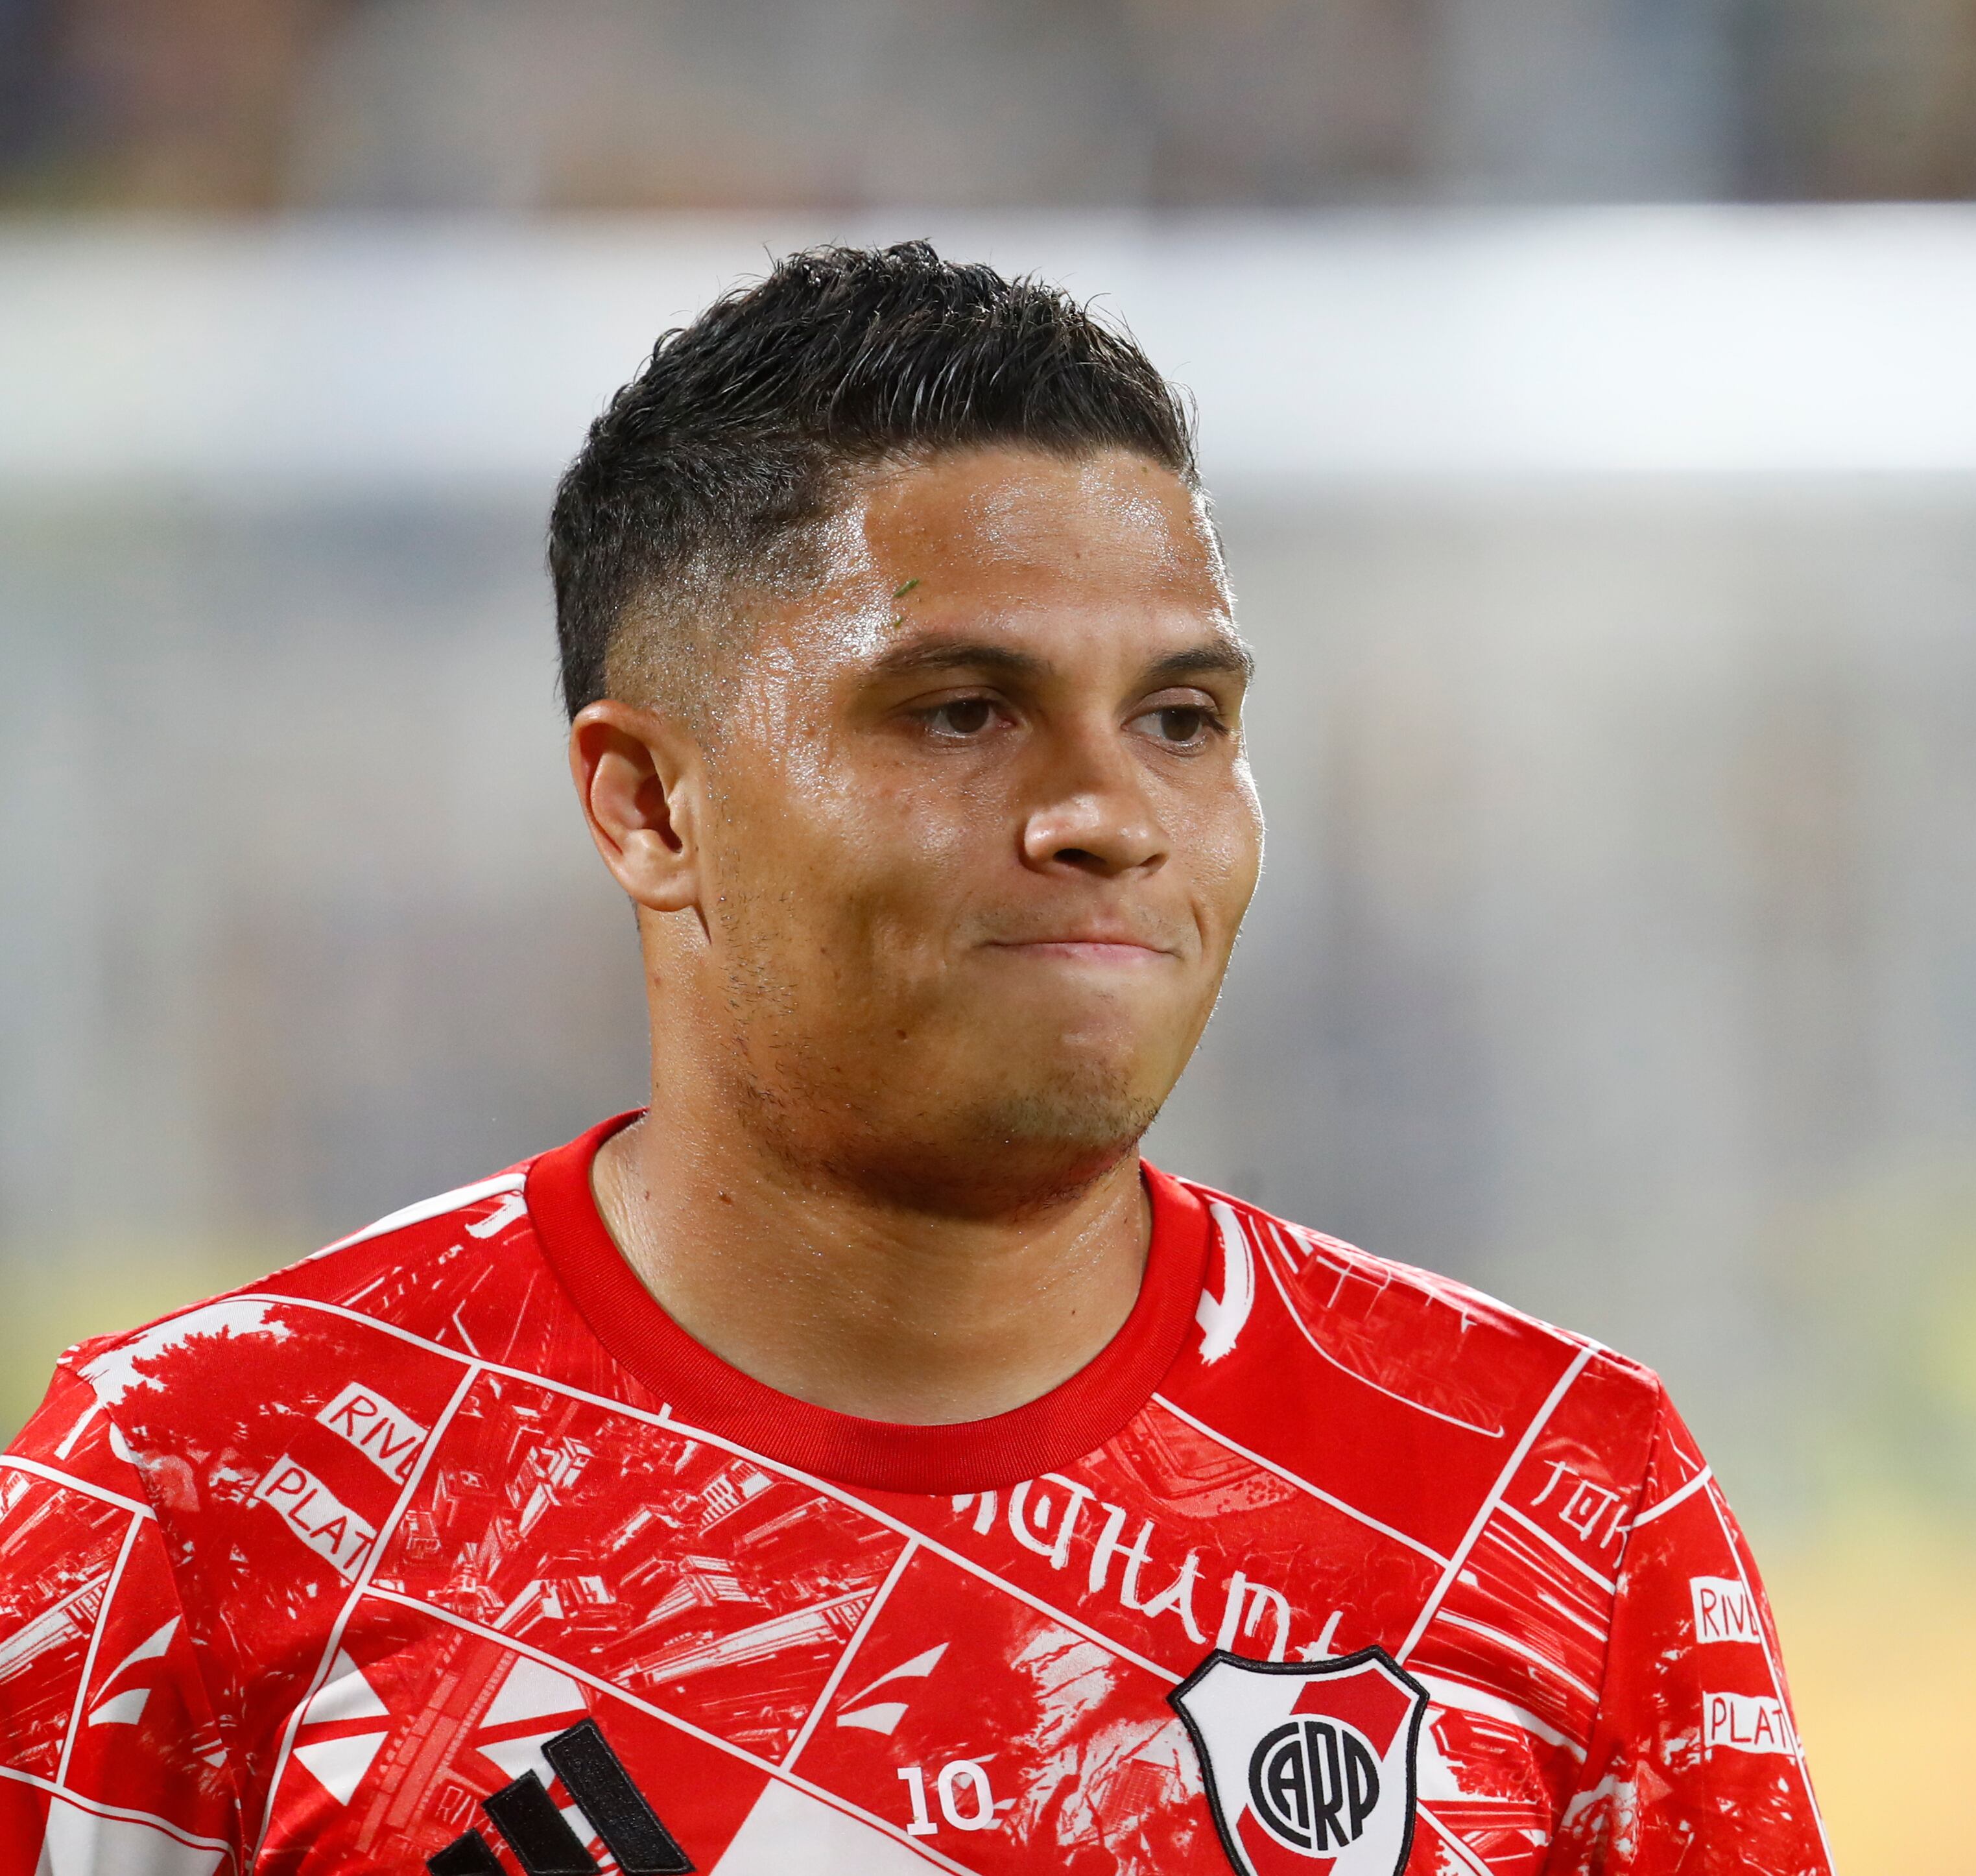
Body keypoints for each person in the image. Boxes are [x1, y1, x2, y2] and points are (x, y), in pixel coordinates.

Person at [0, 242, 1831, 1876]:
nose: (1112, 814)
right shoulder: (197, 1491)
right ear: (647, 804)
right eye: (963, 713)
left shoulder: (1558, 1504)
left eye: (1182, 720)